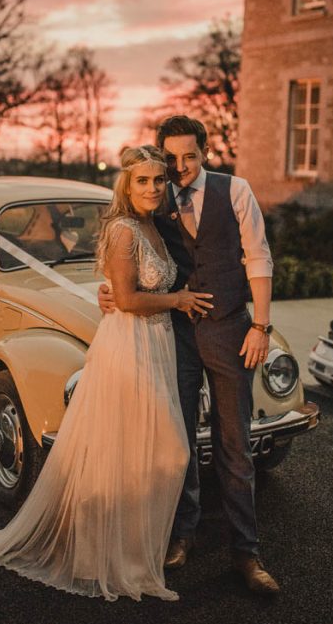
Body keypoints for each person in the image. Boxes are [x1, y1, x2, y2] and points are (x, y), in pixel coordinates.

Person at [0, 145, 213, 602]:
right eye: (142, 180)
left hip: (157, 343)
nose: (152, 188)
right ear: (127, 184)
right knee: (165, 451)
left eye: (159, 180)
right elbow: (125, 299)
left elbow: (143, 285)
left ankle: (129, 551)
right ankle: (116, 557)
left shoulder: (153, 225)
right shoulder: (123, 229)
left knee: (149, 451)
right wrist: (178, 301)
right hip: (131, 343)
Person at [99, 116, 279, 595]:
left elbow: (259, 257)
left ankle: (247, 553)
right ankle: (183, 534)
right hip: (175, 335)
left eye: (189, 156)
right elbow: (131, 257)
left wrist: (261, 325)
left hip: (231, 332)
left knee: (234, 443)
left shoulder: (235, 190)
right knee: (176, 439)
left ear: (205, 152)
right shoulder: (155, 198)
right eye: (171, 158)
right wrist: (112, 292)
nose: (179, 168)